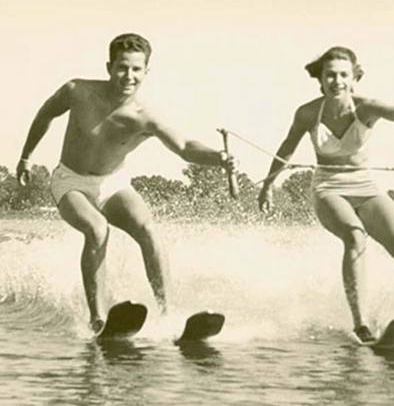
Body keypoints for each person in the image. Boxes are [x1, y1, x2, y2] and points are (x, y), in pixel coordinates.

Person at [16, 33, 235, 332]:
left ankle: (167, 314)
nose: (128, 76)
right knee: (97, 228)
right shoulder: (77, 91)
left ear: (146, 71)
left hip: (113, 182)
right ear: (109, 67)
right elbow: (46, 113)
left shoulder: (146, 117)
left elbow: (184, 146)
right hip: (70, 182)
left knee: (148, 229)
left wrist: (218, 157)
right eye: (122, 67)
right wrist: (26, 157)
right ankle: (98, 318)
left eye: (136, 69)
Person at [258, 46, 394, 343]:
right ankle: (361, 324)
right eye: (330, 75)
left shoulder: (366, 108)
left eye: (343, 75)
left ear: (354, 78)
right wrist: (268, 184)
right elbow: (287, 148)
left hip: (366, 185)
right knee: (355, 236)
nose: (336, 81)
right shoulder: (308, 113)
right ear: (321, 80)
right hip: (328, 188)